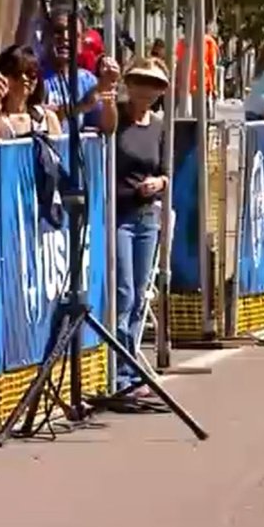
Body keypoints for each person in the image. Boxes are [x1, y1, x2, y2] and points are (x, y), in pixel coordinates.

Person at [97, 58, 170, 392]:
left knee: (140, 293)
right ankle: (120, 370)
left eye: (154, 84)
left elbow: (166, 171)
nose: (146, 90)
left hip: (147, 216)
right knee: (123, 292)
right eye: (140, 81)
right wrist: (108, 93)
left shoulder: (159, 125)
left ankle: (128, 363)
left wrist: (159, 183)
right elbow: (107, 128)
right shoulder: (119, 117)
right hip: (120, 215)